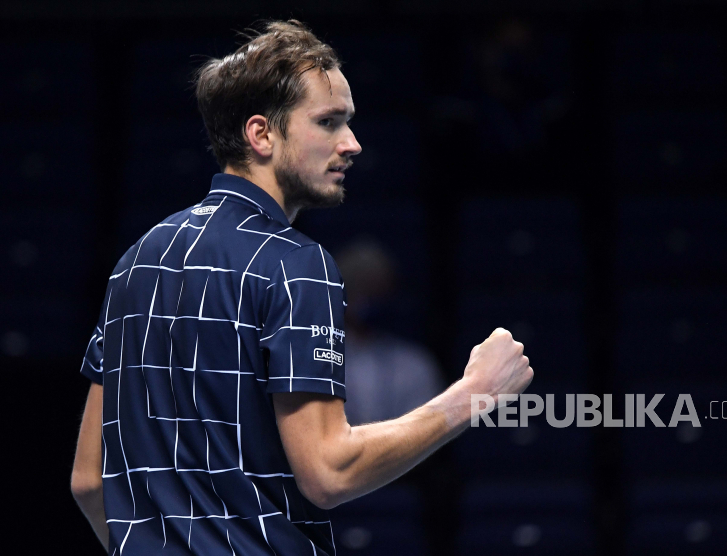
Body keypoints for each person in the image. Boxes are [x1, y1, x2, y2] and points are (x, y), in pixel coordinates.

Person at [70, 20, 533, 555]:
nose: (352, 144)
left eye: (349, 122)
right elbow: (330, 472)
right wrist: (472, 395)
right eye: (328, 122)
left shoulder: (137, 261)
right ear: (261, 134)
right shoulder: (296, 264)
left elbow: (88, 479)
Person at [334, 239, 444, 425]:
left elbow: (426, 432)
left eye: (373, 289)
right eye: (357, 286)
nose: (364, 299)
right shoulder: (315, 360)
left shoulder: (416, 365)